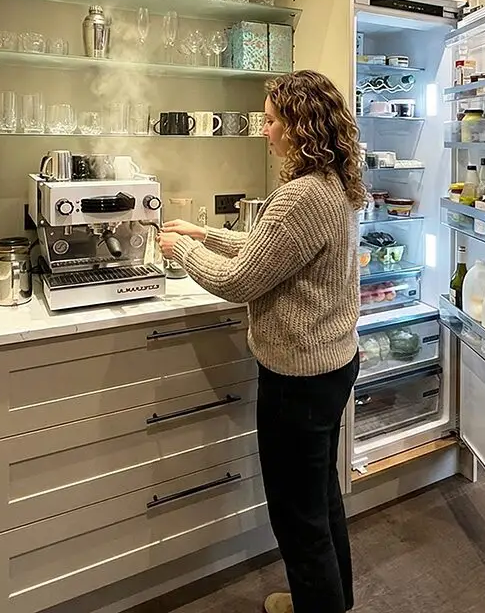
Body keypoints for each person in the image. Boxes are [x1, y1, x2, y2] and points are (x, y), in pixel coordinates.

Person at [159, 70, 363, 613]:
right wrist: (204, 233)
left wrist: (181, 251)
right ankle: (333, 601)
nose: (265, 130)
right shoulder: (332, 183)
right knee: (320, 497)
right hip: (332, 365)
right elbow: (270, 248)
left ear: (298, 127)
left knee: (297, 517)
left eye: (271, 121)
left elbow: (240, 280)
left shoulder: (300, 196)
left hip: (299, 380)